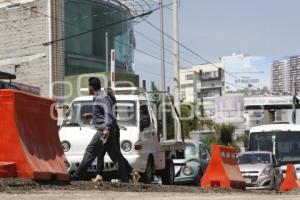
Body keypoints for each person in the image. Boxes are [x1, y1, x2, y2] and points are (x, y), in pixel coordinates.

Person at [72, 77, 129, 182]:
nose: (88, 88)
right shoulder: (99, 97)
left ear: (91, 87)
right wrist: (92, 115)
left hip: (103, 131)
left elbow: (109, 114)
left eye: (88, 86)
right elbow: (103, 114)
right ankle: (126, 178)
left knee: (91, 151)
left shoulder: (102, 97)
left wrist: (106, 129)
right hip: (107, 130)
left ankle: (77, 175)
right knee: (115, 155)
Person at [92, 88, 141, 184]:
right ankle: (132, 172)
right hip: (115, 130)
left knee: (102, 153)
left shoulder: (107, 104)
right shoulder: (112, 104)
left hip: (108, 131)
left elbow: (107, 118)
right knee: (115, 154)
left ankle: (100, 175)